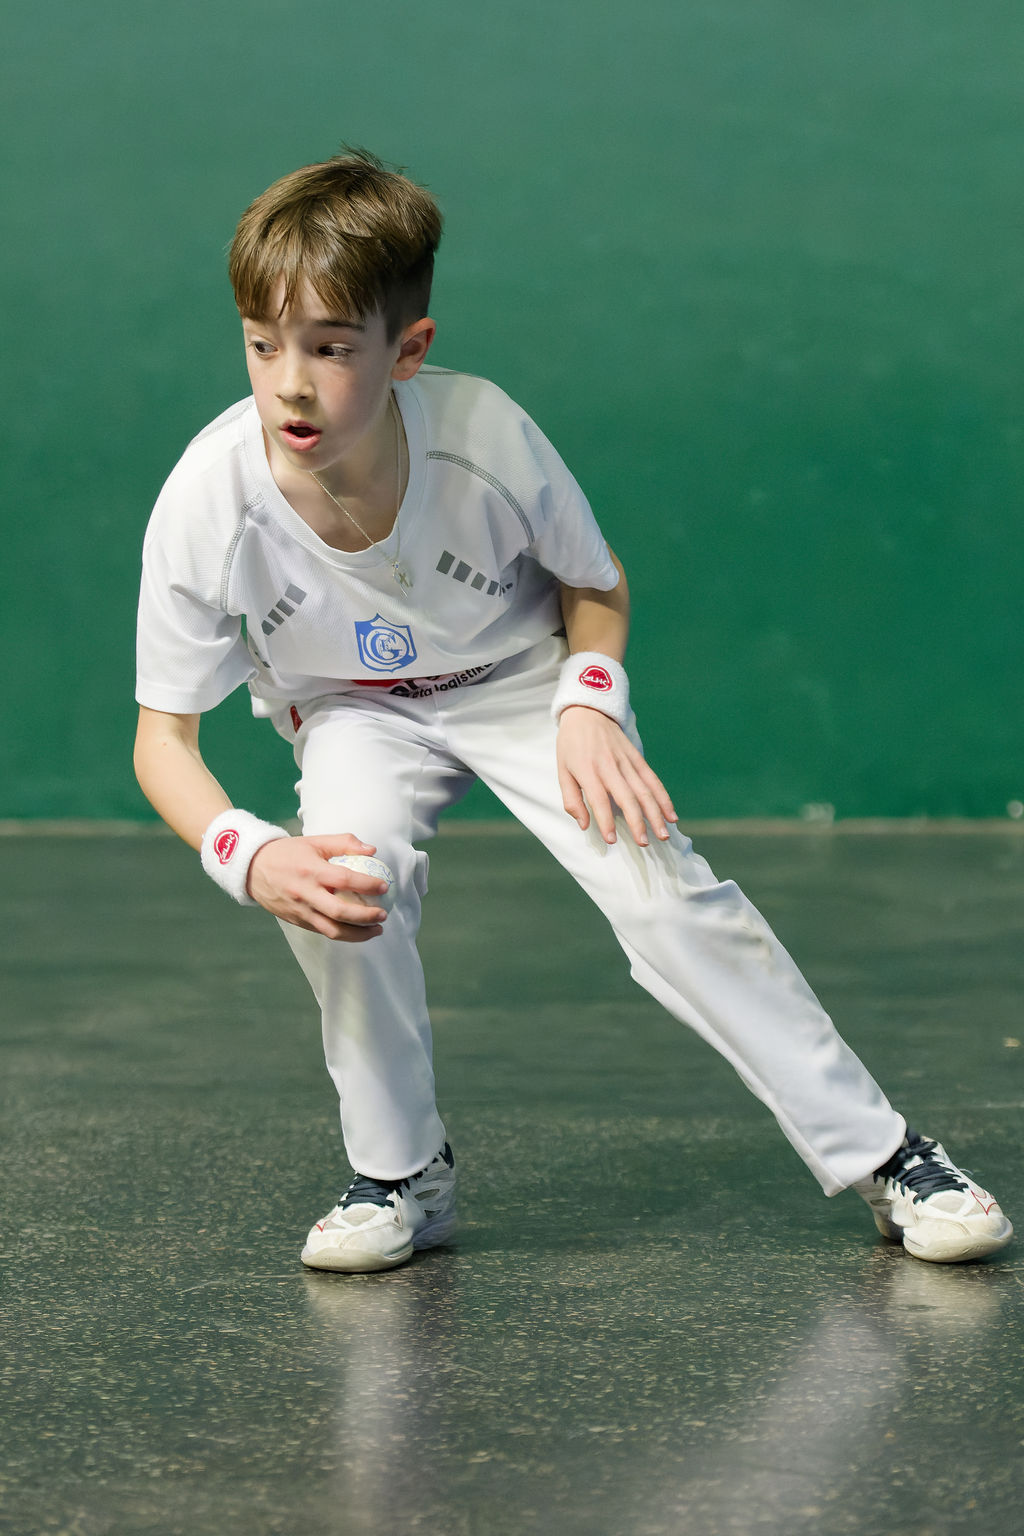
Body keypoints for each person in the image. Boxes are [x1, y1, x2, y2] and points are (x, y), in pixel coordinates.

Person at [134, 150, 1012, 1274]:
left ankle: (889, 1157)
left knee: (665, 896)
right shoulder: (207, 498)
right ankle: (400, 1173)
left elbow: (595, 586)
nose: (290, 383)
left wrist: (590, 701)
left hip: (521, 685)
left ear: (409, 349)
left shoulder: (487, 437)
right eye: (264, 345)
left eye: (331, 348)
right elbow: (162, 741)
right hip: (352, 711)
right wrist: (248, 854)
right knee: (338, 886)